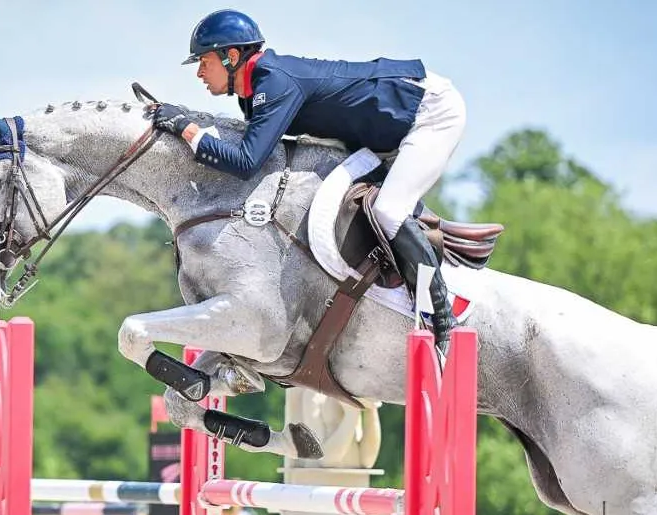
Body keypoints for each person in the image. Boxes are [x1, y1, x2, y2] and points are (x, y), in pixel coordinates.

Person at [149, 9, 464, 353]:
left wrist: (186, 129)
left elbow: (245, 162)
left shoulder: (275, 81)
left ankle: (442, 320)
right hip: (376, 135)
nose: (199, 72)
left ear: (232, 56)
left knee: (389, 210)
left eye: (204, 61)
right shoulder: (254, 92)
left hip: (428, 112)